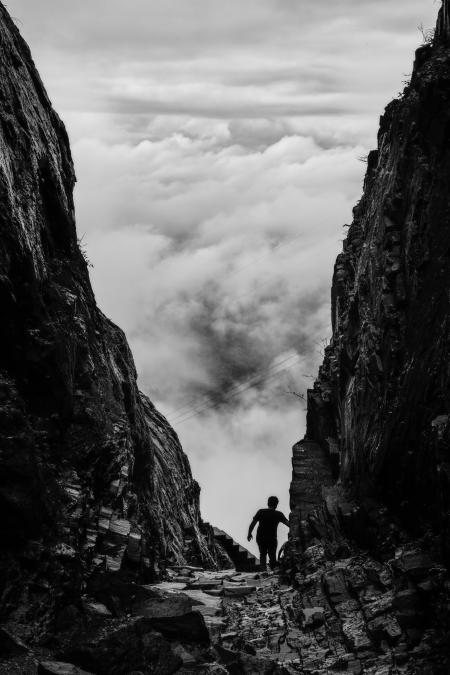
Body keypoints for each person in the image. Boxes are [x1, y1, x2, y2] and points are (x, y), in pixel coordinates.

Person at [247, 496, 289, 571]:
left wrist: (249, 534)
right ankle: (273, 570)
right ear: (276, 504)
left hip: (260, 538)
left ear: (268, 503)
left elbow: (252, 524)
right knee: (272, 556)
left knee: (262, 554)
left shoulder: (261, 512)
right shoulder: (279, 514)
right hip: (272, 539)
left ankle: (263, 570)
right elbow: (288, 524)